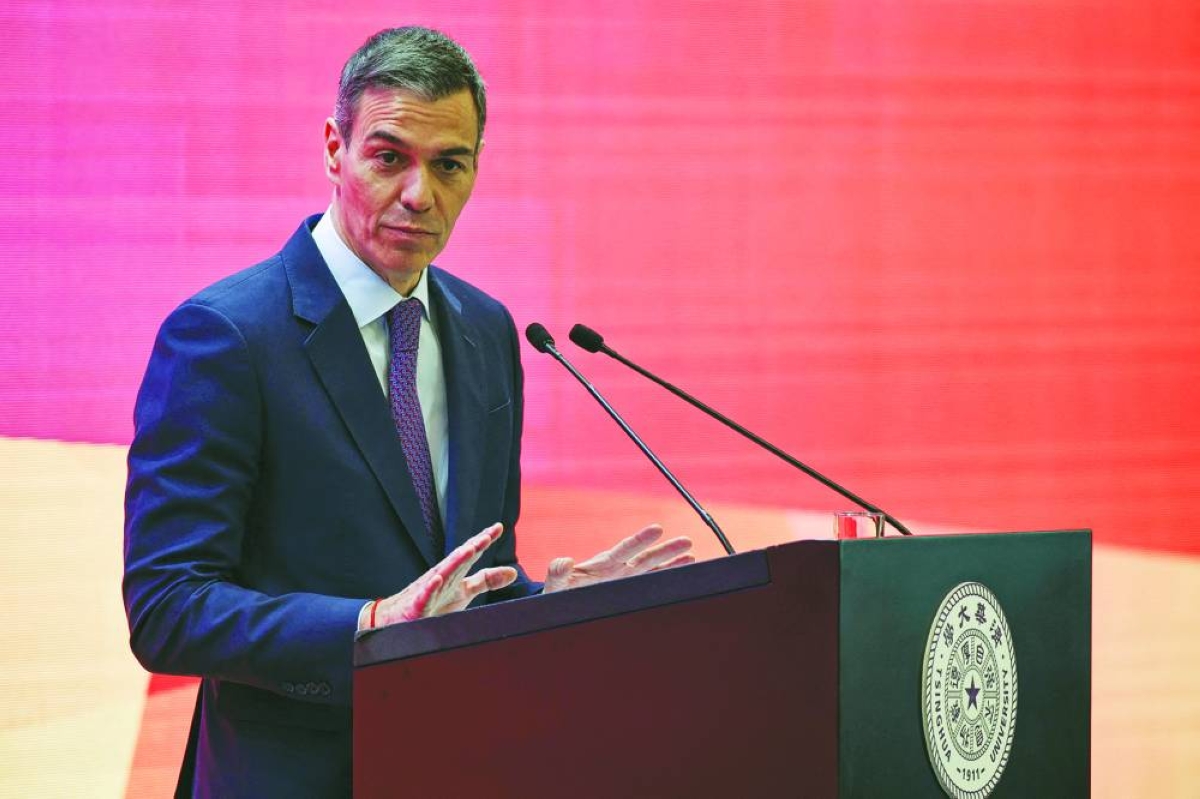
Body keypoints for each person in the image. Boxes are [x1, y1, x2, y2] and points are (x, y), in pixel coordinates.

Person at [122, 26, 693, 798]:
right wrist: (366, 625)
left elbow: (466, 585)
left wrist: (546, 607)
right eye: (390, 157)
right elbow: (168, 607)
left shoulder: (486, 331)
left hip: (459, 766)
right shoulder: (226, 336)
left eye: (449, 164)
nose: (421, 195)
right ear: (335, 150)